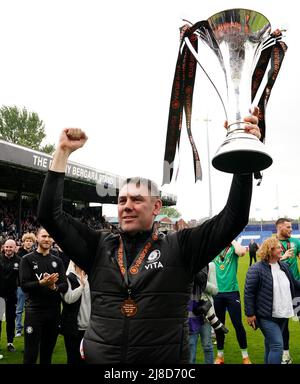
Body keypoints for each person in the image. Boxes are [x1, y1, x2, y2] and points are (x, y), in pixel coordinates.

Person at [37, 110, 261, 364]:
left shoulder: (181, 247)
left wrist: (244, 156)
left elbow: (233, 218)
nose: (127, 206)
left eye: (137, 199)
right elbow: (49, 215)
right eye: (122, 200)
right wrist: (63, 152)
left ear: (156, 207)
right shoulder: (98, 246)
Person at [244, 237, 300, 364]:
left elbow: (295, 284)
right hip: (265, 315)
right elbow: (249, 293)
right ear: (270, 250)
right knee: (277, 346)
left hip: (283, 313)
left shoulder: (284, 266)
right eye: (279, 247)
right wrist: (250, 314)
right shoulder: (256, 269)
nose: (282, 249)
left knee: (270, 345)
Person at [19, 227, 68, 364]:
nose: (47, 239)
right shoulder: (27, 259)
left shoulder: (57, 261)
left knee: (47, 353)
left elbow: (64, 285)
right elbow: (24, 286)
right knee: (31, 353)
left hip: (53, 312)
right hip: (34, 312)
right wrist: (41, 283)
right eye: (44, 236)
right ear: (37, 238)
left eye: (50, 237)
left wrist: (54, 286)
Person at [213, 240, 251, 364]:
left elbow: (242, 252)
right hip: (216, 293)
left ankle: (245, 357)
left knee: (238, 324)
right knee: (219, 326)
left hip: (232, 292)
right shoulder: (213, 249)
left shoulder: (233, 250)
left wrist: (232, 240)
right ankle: (220, 356)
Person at [188, 262, 226, 364]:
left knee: (208, 346)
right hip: (190, 313)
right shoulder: (187, 264)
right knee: (191, 348)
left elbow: (215, 290)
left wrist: (203, 283)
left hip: (206, 313)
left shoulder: (210, 265)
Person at [275, 218, 300, 364]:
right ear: (279, 227)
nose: (291, 229)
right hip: (281, 290)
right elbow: (265, 264)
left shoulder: (296, 242)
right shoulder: (271, 243)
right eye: (288, 227)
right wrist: (282, 258)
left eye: (291, 227)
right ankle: (286, 355)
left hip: (296, 288)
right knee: (283, 323)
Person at [60, 260, 91, 364]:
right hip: (73, 327)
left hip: (90, 328)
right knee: (73, 358)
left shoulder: (91, 278)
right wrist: (81, 286)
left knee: (88, 358)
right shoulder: (68, 278)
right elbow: (68, 299)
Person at [0, 239, 20, 353]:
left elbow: (22, 278)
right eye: (6, 247)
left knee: (11, 320)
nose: (8, 249)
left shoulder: (19, 261)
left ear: (15, 248)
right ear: (3, 247)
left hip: (12, 296)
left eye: (10, 247)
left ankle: (10, 342)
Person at [16, 232, 36, 337]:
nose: (28, 243)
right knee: (19, 309)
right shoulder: (19, 254)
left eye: (30, 241)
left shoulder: (35, 254)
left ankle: (28, 328)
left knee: (30, 309)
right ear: (23, 242)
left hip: (32, 285)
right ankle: (18, 329)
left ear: (33, 242)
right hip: (20, 285)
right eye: (27, 241)